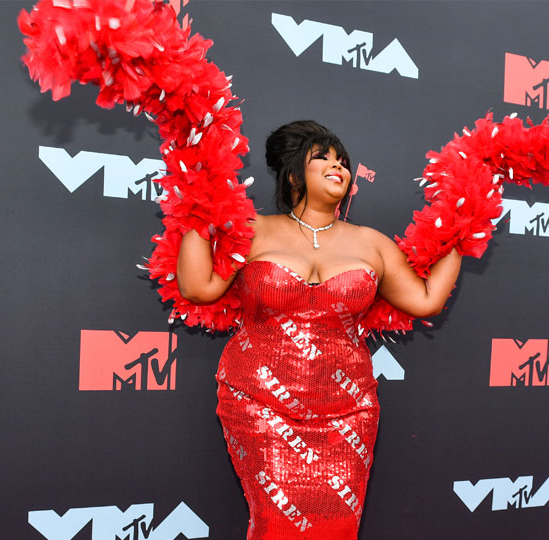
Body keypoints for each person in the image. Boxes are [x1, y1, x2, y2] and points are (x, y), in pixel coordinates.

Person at [177, 120, 462, 539]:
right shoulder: (252, 231)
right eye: (322, 158)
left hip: (347, 413)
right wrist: (200, 205)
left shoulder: (372, 243)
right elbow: (197, 288)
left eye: (343, 161)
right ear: (294, 175)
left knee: (337, 527)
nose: (338, 167)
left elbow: (425, 300)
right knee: (274, 524)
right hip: (260, 405)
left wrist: (463, 225)